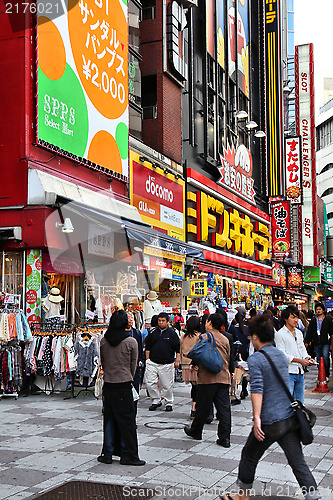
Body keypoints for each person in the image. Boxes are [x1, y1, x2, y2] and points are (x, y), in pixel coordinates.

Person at [220, 314, 319, 500]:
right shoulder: (280, 356)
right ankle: (313, 495)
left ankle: (242, 496)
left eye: (251, 336)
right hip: (288, 418)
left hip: (270, 421)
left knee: (249, 455)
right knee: (298, 462)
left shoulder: (256, 359)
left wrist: (257, 418)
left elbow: (258, 390)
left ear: (255, 337)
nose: (250, 339)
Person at [98, 310, 145, 466]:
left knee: (109, 419)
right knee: (127, 421)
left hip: (109, 385)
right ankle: (128, 455)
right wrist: (128, 377)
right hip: (124, 384)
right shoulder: (131, 341)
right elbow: (134, 365)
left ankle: (107, 453)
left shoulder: (104, 341)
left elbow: (103, 362)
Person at [184, 313, 231, 447]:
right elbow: (227, 358)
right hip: (223, 378)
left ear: (209, 323)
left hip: (206, 379)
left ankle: (196, 431)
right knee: (224, 410)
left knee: (202, 408)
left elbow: (197, 354)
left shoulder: (203, 337)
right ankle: (224, 438)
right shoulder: (225, 339)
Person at [275, 306, 315, 404]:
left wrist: (307, 358)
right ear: (285, 319)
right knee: (288, 402)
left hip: (299, 372)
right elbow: (282, 354)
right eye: (293, 317)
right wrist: (299, 360)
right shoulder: (280, 334)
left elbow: (302, 349)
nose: (296, 320)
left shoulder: (298, 333)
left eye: (297, 317)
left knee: (300, 402)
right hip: (288, 372)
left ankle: (299, 419)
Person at [145, 312, 180, 412]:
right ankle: (155, 400)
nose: (161, 323)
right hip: (152, 362)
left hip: (167, 363)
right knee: (150, 383)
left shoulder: (172, 333)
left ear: (167, 322)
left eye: (163, 321)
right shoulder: (153, 332)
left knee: (167, 385)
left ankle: (169, 402)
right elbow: (148, 347)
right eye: (159, 320)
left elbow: (177, 348)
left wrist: (177, 360)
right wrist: (147, 360)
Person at [305, 302, 333, 381]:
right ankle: (320, 374)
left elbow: (331, 332)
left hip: (325, 342)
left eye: (320, 309)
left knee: (325, 358)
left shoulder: (328, 319)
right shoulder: (313, 320)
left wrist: (331, 342)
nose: (318, 311)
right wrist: (307, 341)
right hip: (316, 342)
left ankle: (326, 374)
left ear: (323, 310)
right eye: (317, 309)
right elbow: (309, 331)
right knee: (318, 360)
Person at [179, 316, 201, 419]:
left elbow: (180, 350)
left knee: (193, 386)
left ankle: (194, 407)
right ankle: (195, 408)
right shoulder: (199, 336)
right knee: (198, 386)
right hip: (194, 364)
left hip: (185, 364)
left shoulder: (183, 336)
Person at [126, 311, 144, 395]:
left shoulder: (136, 332)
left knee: (135, 383)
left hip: (135, 363)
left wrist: (140, 360)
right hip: (124, 363)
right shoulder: (120, 333)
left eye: (132, 317)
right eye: (128, 317)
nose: (130, 320)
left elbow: (140, 347)